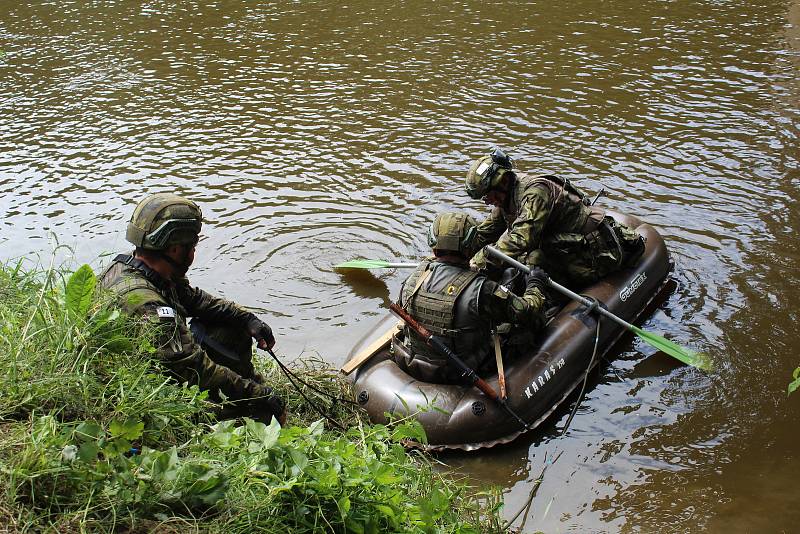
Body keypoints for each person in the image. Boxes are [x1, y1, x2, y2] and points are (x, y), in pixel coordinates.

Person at [99, 193, 286, 425]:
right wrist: (259, 395)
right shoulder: (149, 308)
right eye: (192, 246)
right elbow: (195, 369)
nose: (193, 253)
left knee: (230, 325)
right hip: (145, 396)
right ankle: (243, 423)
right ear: (175, 249)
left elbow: (194, 300)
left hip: (150, 368)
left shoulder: (141, 266)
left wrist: (247, 319)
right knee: (255, 411)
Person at [392, 212, 549, 384]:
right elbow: (527, 311)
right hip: (460, 371)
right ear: (471, 246)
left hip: (417, 362)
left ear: (434, 245)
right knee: (528, 326)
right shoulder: (483, 291)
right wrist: (535, 284)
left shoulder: (414, 277)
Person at [465, 148, 645, 288]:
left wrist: (479, 261)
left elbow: (521, 238)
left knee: (531, 259)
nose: (488, 202)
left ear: (503, 182)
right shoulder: (505, 199)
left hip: (592, 254)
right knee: (510, 263)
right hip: (563, 247)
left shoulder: (536, 193)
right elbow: (485, 233)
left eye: (488, 196)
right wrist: (452, 252)